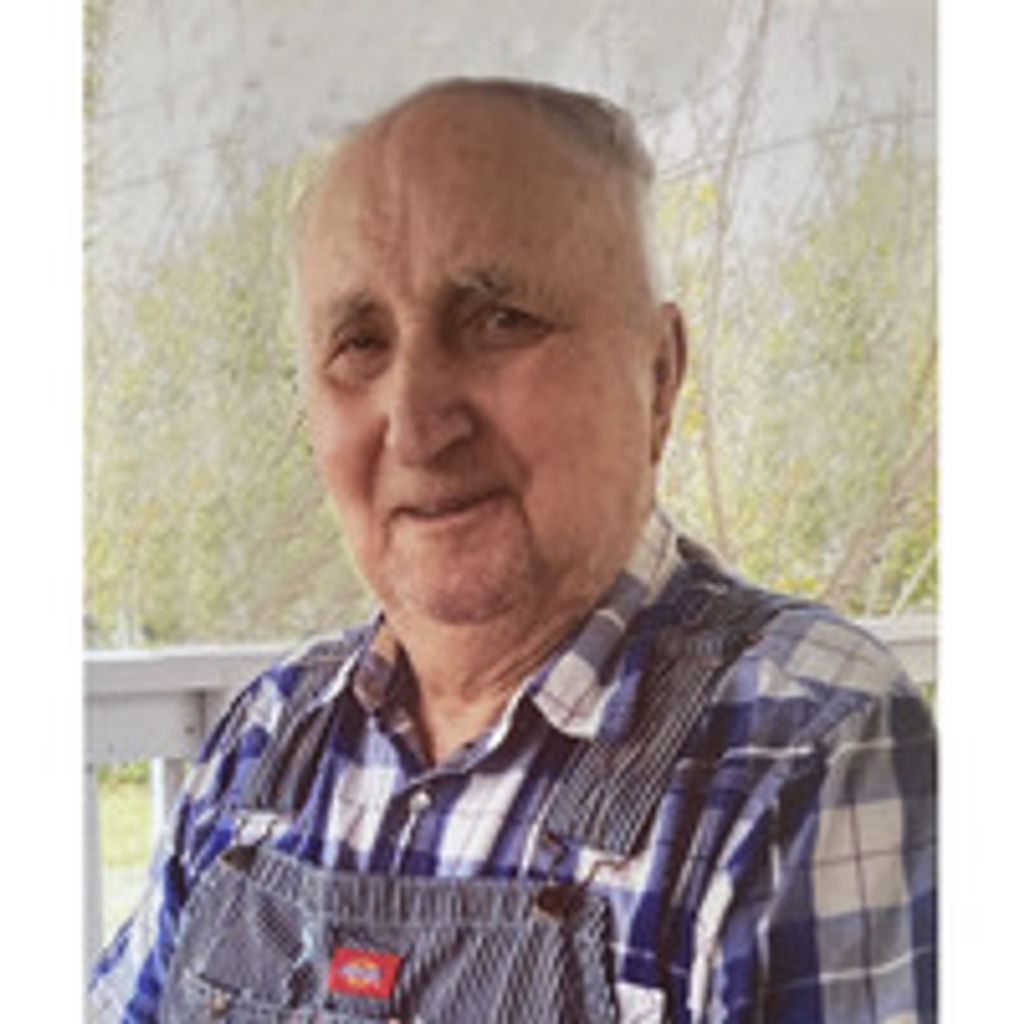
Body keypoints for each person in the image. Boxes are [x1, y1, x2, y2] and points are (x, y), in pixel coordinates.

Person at [89, 78, 936, 1023]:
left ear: (658, 375)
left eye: (499, 321)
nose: (417, 425)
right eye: (360, 342)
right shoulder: (264, 741)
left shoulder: (801, 747)